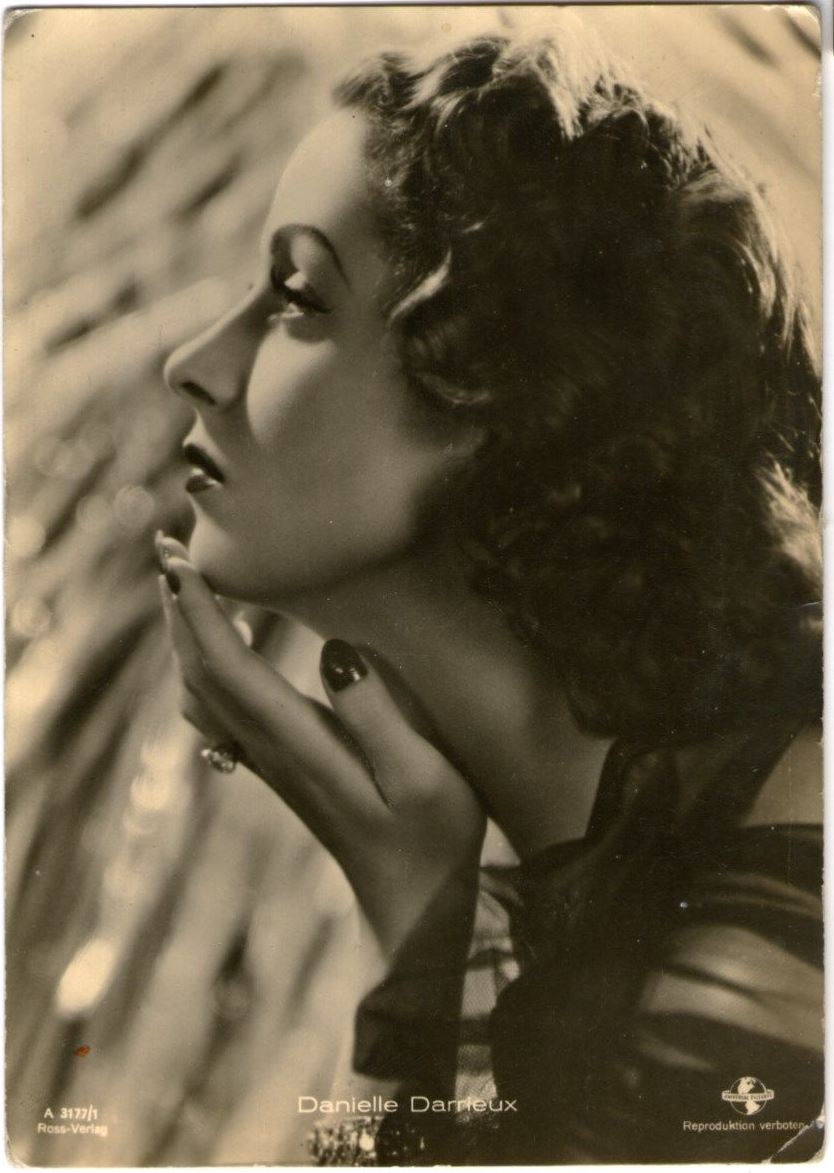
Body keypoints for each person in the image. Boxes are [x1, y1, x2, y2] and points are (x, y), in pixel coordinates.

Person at [157, 18, 822, 1164]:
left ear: (504, 382)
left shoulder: (786, 910)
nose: (194, 364)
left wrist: (411, 957)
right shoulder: (585, 836)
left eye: (298, 298)